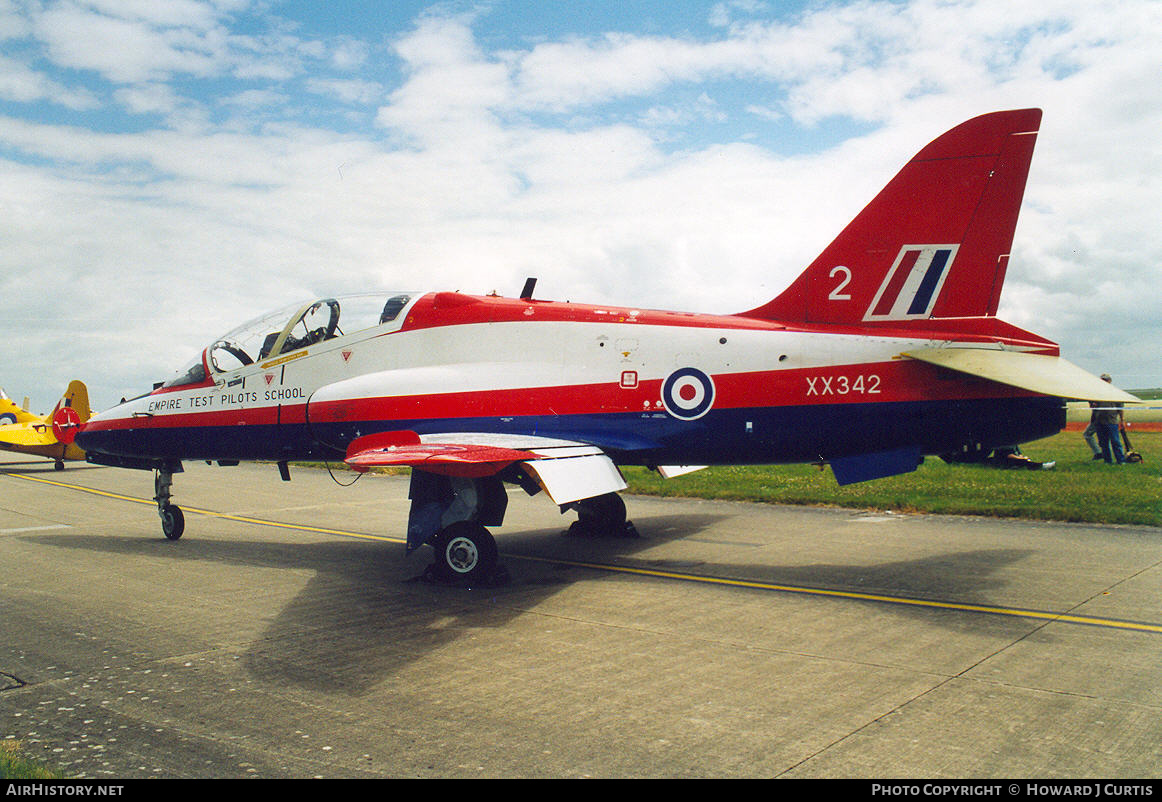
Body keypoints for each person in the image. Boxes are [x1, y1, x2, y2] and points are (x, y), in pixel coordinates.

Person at [1094, 373, 1127, 465]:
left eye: (1105, 380)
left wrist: (1122, 420)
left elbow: (1120, 408)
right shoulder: (1096, 393)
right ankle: (1107, 460)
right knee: (1103, 443)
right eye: (1102, 380)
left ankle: (1120, 460)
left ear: (1109, 381)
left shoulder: (1115, 392)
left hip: (1111, 421)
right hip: (1099, 421)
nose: (1103, 382)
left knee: (1115, 442)